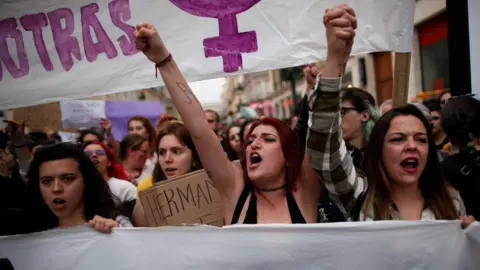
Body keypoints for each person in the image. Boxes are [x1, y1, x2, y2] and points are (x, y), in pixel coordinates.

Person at [134, 21, 321, 224]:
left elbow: (323, 128)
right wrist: (163, 61)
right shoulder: (234, 187)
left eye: (268, 139)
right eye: (250, 141)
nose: (254, 145)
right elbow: (199, 128)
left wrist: (336, 57)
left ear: (288, 155)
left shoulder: (305, 189)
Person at [306, 4, 474, 227]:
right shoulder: (361, 196)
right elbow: (323, 149)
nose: (412, 146)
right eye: (398, 139)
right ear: (379, 150)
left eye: (421, 139)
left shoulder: (450, 201)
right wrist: (335, 60)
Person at [28, 143, 132, 233]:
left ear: (86, 181)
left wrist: (119, 234)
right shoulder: (27, 234)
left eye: (67, 178)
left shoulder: (116, 222)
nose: (56, 188)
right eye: (47, 181)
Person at [133, 120, 203, 226]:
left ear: (194, 156)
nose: (167, 159)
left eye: (176, 151)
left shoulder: (213, 189)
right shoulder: (146, 189)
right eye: (162, 152)